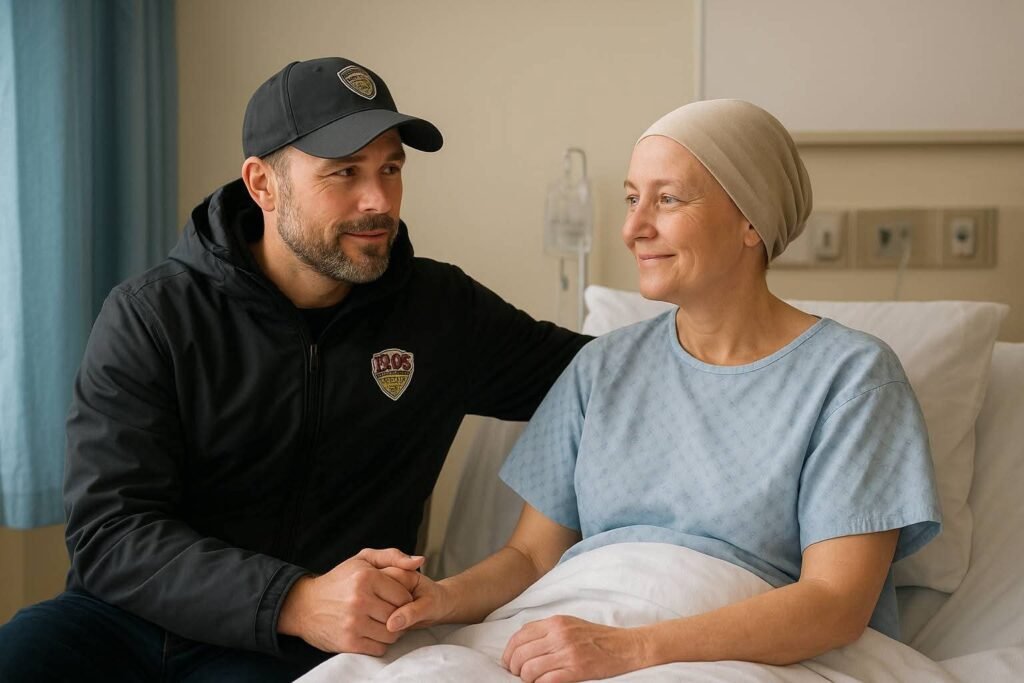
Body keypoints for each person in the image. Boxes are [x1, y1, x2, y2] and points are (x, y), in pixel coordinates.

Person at [0, 57, 588, 682]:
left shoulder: (442, 313)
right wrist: (294, 600)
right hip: (122, 623)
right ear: (263, 184)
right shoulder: (153, 316)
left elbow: (603, 373)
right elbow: (111, 532)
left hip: (290, 653)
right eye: (345, 172)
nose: (378, 200)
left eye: (391, 169)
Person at [380, 100, 942, 681]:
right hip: (576, 627)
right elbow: (531, 556)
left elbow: (835, 602)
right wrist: (441, 597)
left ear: (751, 220)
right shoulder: (601, 367)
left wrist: (631, 649)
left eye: (668, 199)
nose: (633, 229)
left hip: (734, 655)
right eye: (632, 199)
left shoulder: (852, 379)